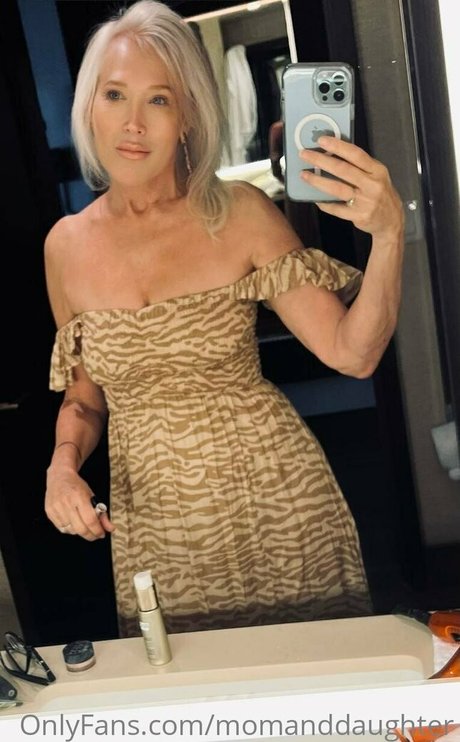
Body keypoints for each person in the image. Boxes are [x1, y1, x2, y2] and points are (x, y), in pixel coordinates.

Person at [44, 0, 404, 637]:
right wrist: (62, 465)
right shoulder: (64, 247)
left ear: (187, 116)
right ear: (88, 106)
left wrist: (390, 235)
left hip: (278, 503)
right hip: (156, 526)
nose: (132, 124)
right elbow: (84, 397)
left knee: (315, 679)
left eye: (158, 100)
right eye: (114, 94)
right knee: (189, 684)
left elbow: (354, 353)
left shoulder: (239, 213)